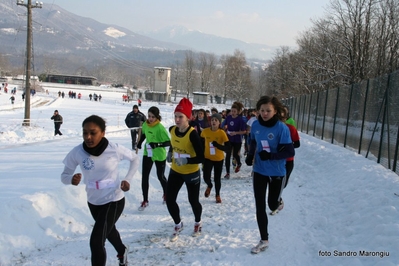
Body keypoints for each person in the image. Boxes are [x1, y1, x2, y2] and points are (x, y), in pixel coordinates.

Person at [60, 115, 140, 266]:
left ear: (103, 133)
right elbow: (64, 176)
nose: (88, 137)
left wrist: (127, 179)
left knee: (96, 241)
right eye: (85, 133)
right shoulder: (77, 152)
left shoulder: (114, 149)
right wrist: (71, 179)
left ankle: (121, 252)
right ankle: (122, 251)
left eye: (93, 132)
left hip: (114, 199)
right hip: (93, 202)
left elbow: (135, 159)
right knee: (108, 231)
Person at [245, 96, 295, 254]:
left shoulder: (281, 128)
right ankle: (264, 239)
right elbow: (253, 141)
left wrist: (272, 156)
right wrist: (250, 154)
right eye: (262, 110)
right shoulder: (256, 125)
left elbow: (289, 151)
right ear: (258, 111)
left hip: (277, 172)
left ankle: (278, 201)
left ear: (275, 111)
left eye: (268, 110)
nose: (265, 113)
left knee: (272, 205)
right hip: (259, 170)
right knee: (259, 205)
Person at [166, 97, 205, 242]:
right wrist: (170, 153)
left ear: (188, 117)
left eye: (180, 117)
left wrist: (187, 160)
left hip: (191, 172)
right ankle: (178, 224)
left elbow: (201, 157)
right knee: (170, 199)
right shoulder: (172, 130)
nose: (177, 120)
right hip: (176, 170)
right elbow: (173, 143)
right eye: (175, 116)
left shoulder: (192, 134)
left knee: (193, 201)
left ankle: (198, 222)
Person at [136, 106, 170, 211]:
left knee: (160, 176)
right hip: (148, 153)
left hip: (159, 154)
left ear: (157, 117)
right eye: (149, 116)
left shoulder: (160, 128)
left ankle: (166, 194)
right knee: (145, 176)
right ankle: (145, 200)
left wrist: (158, 144)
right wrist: (140, 143)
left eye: (153, 117)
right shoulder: (146, 124)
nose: (150, 119)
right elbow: (144, 134)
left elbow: (168, 142)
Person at [200, 113, 230, 203]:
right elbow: (200, 144)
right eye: (212, 120)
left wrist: (218, 146)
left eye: (216, 120)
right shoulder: (205, 131)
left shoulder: (222, 133)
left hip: (218, 159)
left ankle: (217, 195)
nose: (213, 122)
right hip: (207, 158)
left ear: (219, 123)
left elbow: (228, 148)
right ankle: (209, 185)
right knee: (206, 177)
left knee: (217, 179)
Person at [223, 102, 247, 178]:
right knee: (228, 155)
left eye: (234, 111)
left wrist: (236, 133)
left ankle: (239, 163)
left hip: (237, 139)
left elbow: (244, 131)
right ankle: (227, 173)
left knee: (235, 154)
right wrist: (225, 130)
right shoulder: (228, 118)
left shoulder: (240, 120)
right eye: (232, 111)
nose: (232, 113)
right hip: (229, 139)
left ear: (238, 112)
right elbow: (223, 125)